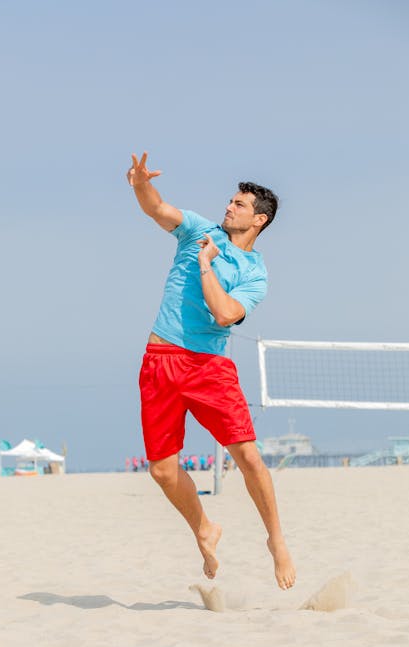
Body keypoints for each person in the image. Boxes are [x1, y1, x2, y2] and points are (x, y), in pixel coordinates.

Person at [128, 152, 295, 590]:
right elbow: (156, 208)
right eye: (231, 201)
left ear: (258, 220)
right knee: (162, 471)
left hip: (209, 367)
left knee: (249, 458)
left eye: (239, 205)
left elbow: (224, 314)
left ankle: (275, 540)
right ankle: (204, 527)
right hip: (160, 361)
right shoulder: (199, 230)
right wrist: (139, 184)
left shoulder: (254, 273)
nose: (229, 208)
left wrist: (204, 265)